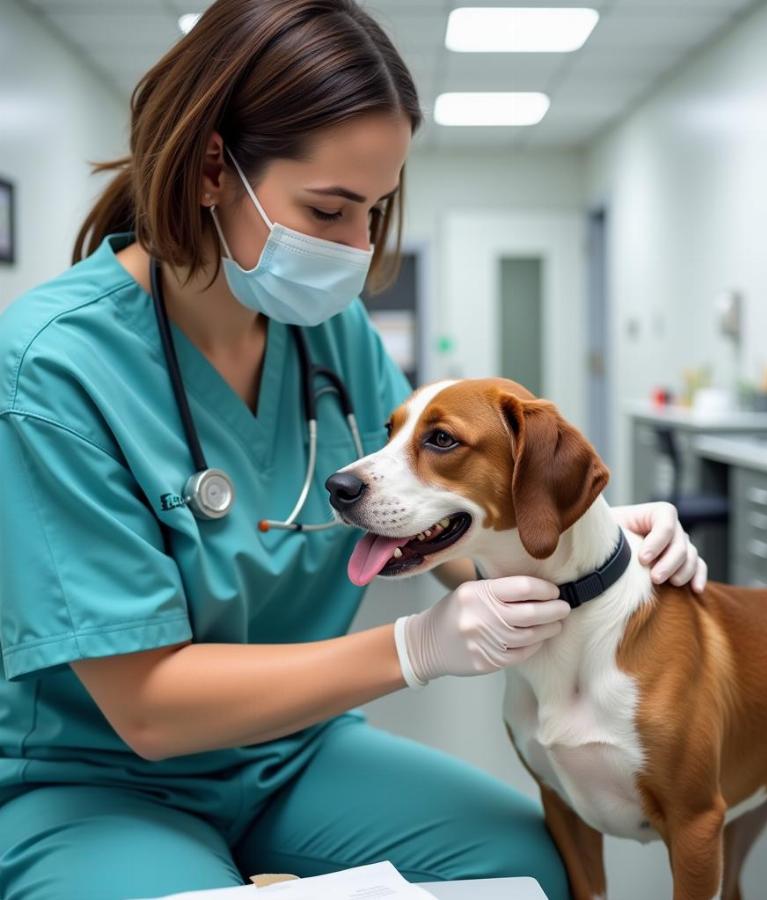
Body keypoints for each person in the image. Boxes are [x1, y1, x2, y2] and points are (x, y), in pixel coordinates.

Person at [0, 2, 708, 898]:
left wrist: (577, 545)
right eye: (329, 209)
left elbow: (434, 514)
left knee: (530, 868)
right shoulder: (50, 368)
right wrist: (414, 647)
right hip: (100, 781)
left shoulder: (331, 335)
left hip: (293, 752)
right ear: (215, 167)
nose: (356, 249)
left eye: (373, 211)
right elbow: (144, 706)